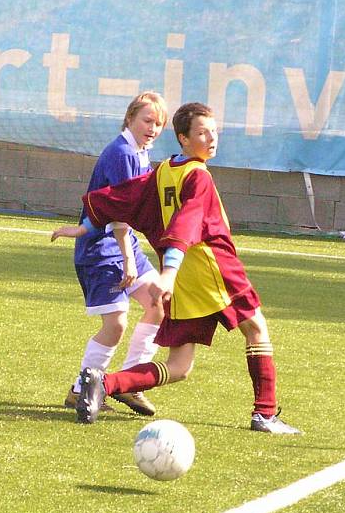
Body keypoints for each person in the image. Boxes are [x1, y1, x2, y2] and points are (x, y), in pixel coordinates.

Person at [52, 102, 301, 434]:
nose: (211, 138)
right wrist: (168, 271)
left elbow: (120, 197)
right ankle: (265, 414)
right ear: (183, 138)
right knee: (256, 327)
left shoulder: (166, 170)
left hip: (184, 278)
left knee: (180, 366)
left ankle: (102, 382)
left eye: (214, 131)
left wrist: (86, 226)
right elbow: (187, 222)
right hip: (212, 267)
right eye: (201, 132)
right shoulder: (198, 176)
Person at [58, 92, 168, 416]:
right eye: (147, 120)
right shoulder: (121, 153)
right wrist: (129, 260)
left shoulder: (141, 151)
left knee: (158, 304)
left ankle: (130, 382)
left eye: (159, 123)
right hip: (101, 251)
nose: (152, 128)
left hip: (124, 245)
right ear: (130, 118)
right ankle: (81, 389)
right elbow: (120, 214)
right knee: (116, 324)